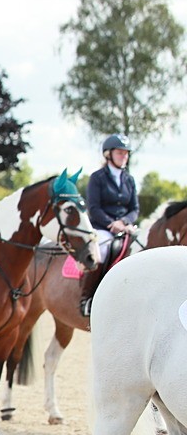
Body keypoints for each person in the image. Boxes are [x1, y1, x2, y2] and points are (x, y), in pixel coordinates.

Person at [79, 133, 138, 316]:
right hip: (102, 228)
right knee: (102, 250)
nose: (124, 156)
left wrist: (124, 222)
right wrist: (112, 224)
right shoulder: (97, 178)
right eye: (120, 153)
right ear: (108, 154)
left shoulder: (129, 179)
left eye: (126, 153)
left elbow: (134, 208)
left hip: (125, 228)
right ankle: (87, 298)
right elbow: (93, 207)